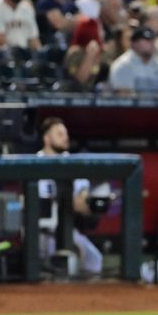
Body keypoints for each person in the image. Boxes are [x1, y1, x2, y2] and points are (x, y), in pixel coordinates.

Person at [36, 117, 103, 276]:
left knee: (94, 260)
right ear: (46, 138)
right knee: (66, 261)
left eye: (65, 134)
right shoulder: (35, 162)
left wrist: (86, 201)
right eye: (59, 134)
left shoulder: (72, 162)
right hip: (41, 232)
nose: (65, 137)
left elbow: (82, 195)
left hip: (67, 230)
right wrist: (71, 202)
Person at [108, 27, 158, 95]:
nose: (151, 43)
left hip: (157, 106)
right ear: (134, 43)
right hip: (134, 106)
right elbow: (124, 96)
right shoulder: (123, 64)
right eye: (146, 40)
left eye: (152, 40)